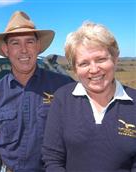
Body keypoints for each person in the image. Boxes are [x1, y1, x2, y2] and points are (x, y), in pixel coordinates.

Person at [0, 11, 74, 172]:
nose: (23, 50)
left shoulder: (63, 86)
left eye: (29, 42)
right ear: (6, 49)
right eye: (15, 43)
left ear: (38, 47)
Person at [42, 21, 136, 172]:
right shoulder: (63, 99)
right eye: (84, 63)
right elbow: (52, 158)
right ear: (74, 68)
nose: (94, 69)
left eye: (100, 59)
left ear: (115, 59)